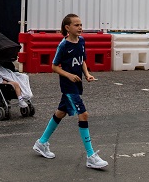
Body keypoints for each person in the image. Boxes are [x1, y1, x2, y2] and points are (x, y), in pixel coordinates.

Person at [32, 13, 108, 169]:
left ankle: (41, 142)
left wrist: (86, 74)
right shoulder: (63, 45)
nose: (80, 27)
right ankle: (90, 156)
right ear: (68, 28)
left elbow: (82, 60)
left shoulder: (81, 41)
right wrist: (69, 75)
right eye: (76, 25)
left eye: (81, 24)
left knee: (61, 112)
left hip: (77, 84)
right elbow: (54, 67)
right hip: (68, 86)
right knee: (84, 114)